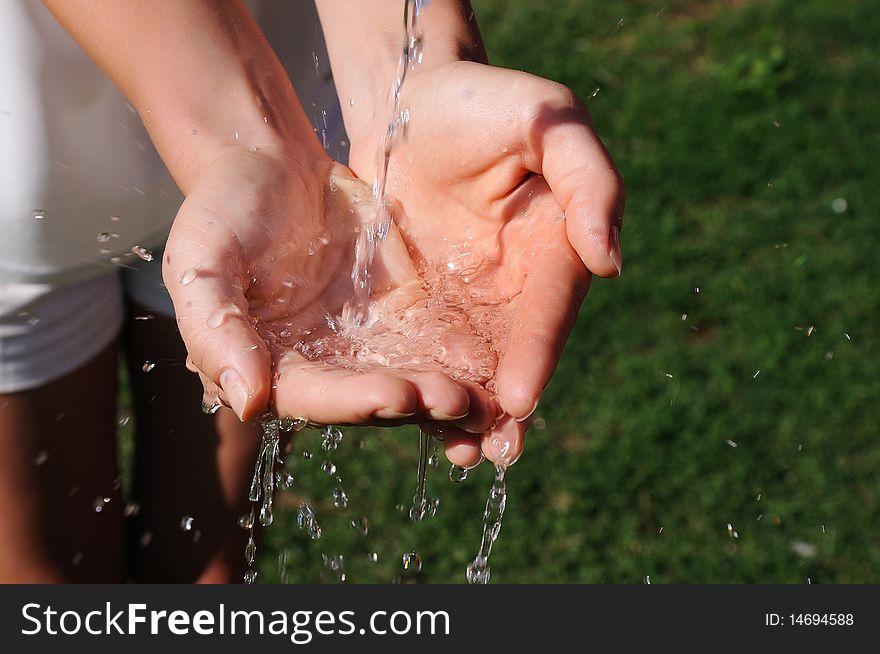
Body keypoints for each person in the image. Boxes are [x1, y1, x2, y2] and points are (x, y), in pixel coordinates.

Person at [0, 0, 624, 584]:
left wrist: (406, 73)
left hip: (289, 157)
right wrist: (249, 126)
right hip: (40, 145)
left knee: (206, 555)